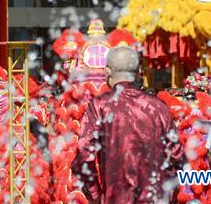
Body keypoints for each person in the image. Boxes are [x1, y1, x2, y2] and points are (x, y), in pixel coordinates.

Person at [74, 45, 183, 203]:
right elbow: (176, 157)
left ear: (107, 72)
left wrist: (96, 195)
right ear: (139, 72)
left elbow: (83, 155)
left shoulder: (100, 106)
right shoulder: (158, 107)